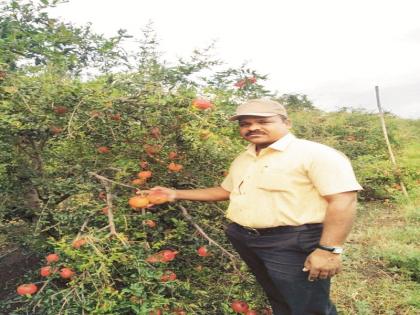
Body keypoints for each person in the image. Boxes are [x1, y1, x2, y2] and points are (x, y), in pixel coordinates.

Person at [151, 98, 362, 315]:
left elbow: (343, 200)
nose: (252, 127)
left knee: (309, 306)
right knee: (279, 296)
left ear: (286, 123)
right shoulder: (245, 157)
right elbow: (226, 191)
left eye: (262, 121)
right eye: (245, 123)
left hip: (292, 241)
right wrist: (175, 193)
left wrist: (329, 250)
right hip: (246, 238)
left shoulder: (315, 154)